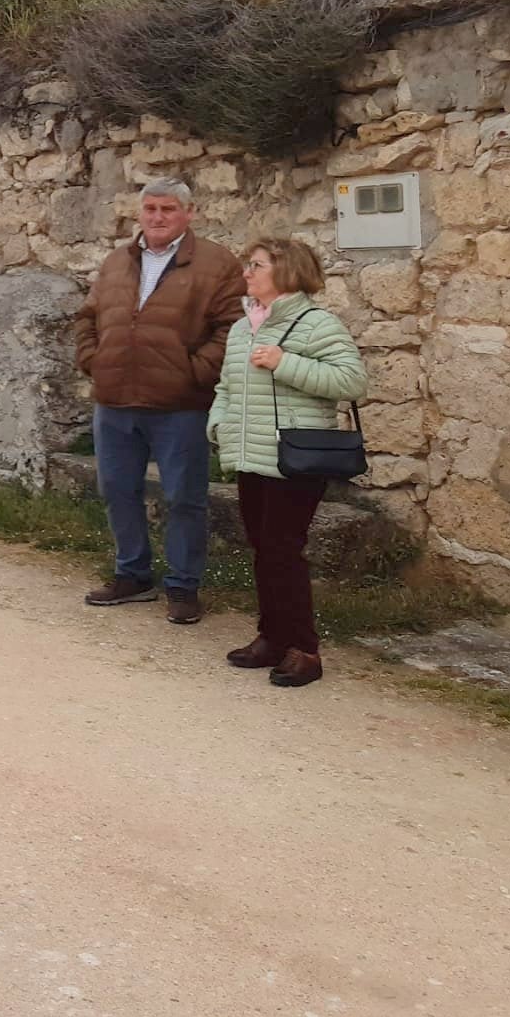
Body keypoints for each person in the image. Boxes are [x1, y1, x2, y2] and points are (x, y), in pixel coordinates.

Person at [74, 178, 245, 625]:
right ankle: (133, 574)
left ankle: (184, 586)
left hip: (180, 405)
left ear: (190, 212)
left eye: (168, 209)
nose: (157, 217)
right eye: (150, 208)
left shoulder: (217, 263)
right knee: (116, 490)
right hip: (114, 399)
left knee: (185, 498)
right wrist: (93, 360)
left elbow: (232, 327)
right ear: (139, 213)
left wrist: (193, 374)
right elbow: (88, 317)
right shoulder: (117, 261)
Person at [208, 238, 366, 688]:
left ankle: (305, 650)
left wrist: (285, 362)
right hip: (250, 455)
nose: (247, 273)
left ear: (287, 272)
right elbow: (227, 388)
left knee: (283, 550)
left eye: (256, 265)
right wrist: (218, 426)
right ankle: (272, 637)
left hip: (295, 458)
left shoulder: (316, 324)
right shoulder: (243, 328)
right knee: (264, 550)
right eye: (248, 264)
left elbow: (352, 381)